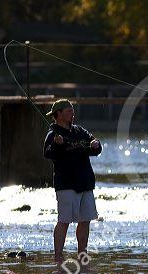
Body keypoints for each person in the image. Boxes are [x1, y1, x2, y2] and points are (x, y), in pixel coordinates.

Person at [43, 99, 102, 263]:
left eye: (73, 111)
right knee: (64, 221)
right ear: (58, 114)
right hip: (66, 184)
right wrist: (57, 145)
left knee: (85, 220)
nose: (72, 113)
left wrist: (96, 144)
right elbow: (47, 154)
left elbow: (94, 147)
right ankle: (58, 257)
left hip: (85, 183)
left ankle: (82, 255)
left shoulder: (80, 131)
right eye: (69, 111)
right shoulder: (53, 134)